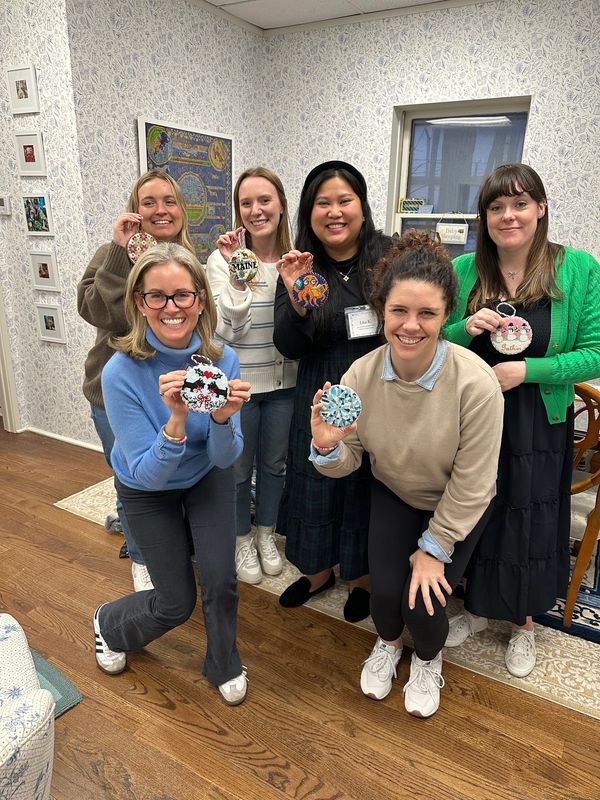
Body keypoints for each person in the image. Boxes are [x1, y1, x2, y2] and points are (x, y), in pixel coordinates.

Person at [309, 232, 504, 717]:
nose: (411, 326)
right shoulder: (360, 375)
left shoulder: (476, 383)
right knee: (388, 596)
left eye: (427, 314)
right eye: (399, 311)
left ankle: (428, 659)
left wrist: (434, 549)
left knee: (425, 603)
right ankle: (389, 646)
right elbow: (348, 462)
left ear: (446, 317)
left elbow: (475, 481)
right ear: (380, 308)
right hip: (395, 490)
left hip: (457, 503)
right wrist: (327, 447)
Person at [443, 163, 600, 678]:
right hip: (474, 412)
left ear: (541, 208)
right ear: (484, 216)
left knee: (530, 516)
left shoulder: (576, 268)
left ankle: (524, 622)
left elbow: (594, 353)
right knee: (477, 507)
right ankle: (474, 605)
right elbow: (433, 337)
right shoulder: (466, 269)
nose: (508, 215)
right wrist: (467, 326)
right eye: (496, 206)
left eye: (520, 203)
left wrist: (527, 371)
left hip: (539, 415)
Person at [92, 242, 251, 706]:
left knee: (221, 579)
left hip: (206, 474)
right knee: (175, 603)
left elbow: (225, 459)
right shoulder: (120, 372)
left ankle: (224, 661)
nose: (171, 308)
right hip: (146, 486)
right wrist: (176, 421)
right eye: (156, 296)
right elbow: (147, 474)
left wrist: (222, 418)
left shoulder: (223, 360)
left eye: (182, 295)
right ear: (139, 302)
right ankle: (109, 623)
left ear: (201, 298)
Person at [273, 160, 392, 622]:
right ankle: (318, 571)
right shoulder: (300, 264)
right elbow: (287, 344)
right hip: (319, 385)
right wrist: (298, 304)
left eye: (345, 200)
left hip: (375, 384)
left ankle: (361, 578)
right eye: (323, 203)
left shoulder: (387, 256)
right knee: (315, 479)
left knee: (364, 481)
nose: (335, 212)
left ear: (361, 206)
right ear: (309, 211)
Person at [78, 169, 195, 591]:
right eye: (149, 202)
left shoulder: (190, 261)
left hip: (173, 393)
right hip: (117, 394)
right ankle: (143, 555)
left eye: (169, 200)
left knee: (174, 470)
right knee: (130, 477)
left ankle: (172, 543)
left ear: (181, 210)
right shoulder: (112, 254)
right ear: (135, 209)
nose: (160, 210)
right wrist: (117, 250)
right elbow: (95, 310)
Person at [206, 167, 297, 584]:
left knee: (276, 466)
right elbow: (226, 331)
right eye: (247, 203)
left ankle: (265, 535)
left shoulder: (298, 258)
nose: (256, 210)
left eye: (264, 201)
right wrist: (239, 280)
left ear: (281, 205)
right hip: (240, 387)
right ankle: (241, 538)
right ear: (238, 210)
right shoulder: (221, 260)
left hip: (285, 384)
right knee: (239, 471)